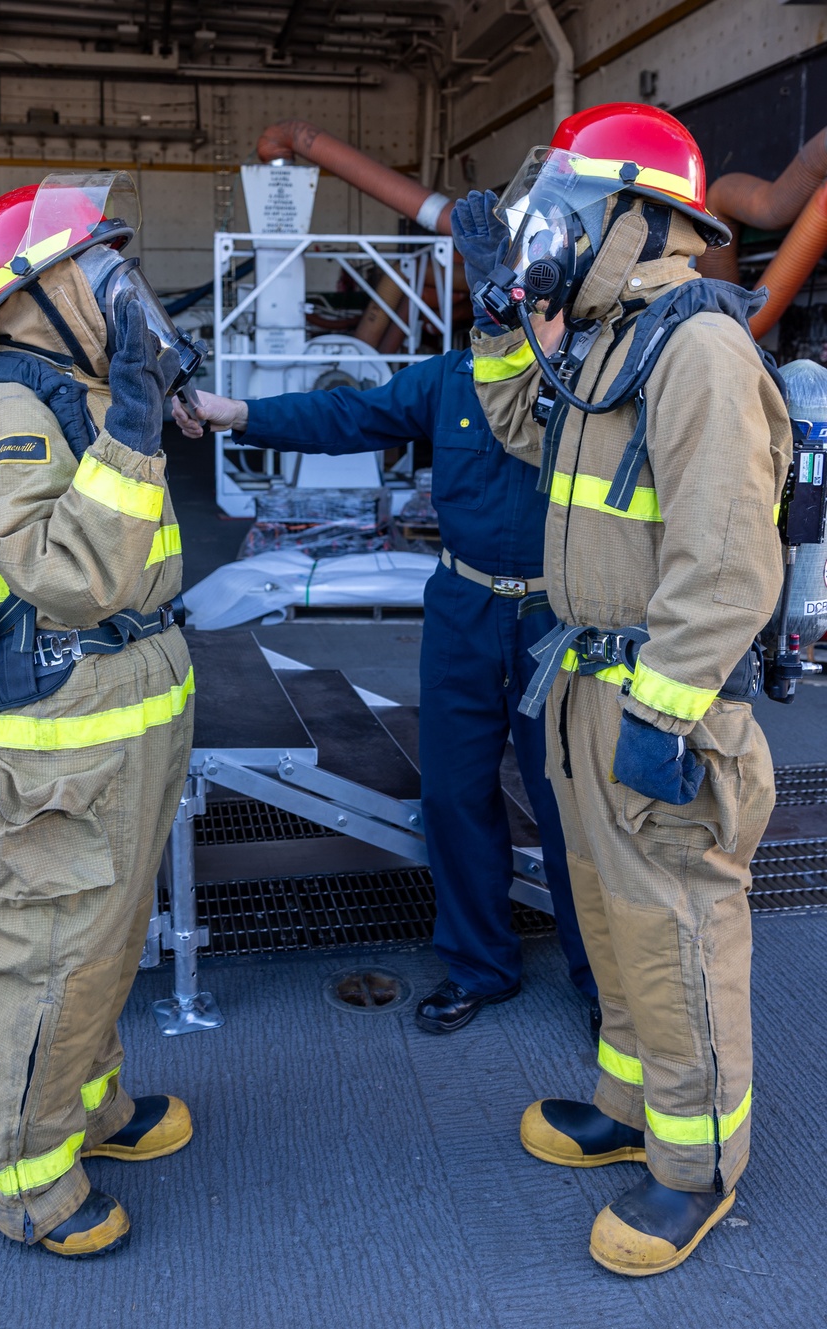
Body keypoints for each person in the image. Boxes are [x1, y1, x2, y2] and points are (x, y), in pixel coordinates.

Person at [457, 103, 791, 1275]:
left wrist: (664, 711)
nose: (550, 234)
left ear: (637, 222)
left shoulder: (696, 348)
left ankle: (693, 1170)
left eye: (568, 215)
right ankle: (629, 1103)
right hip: (587, 685)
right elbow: (519, 429)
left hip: (661, 699)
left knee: (679, 933)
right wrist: (504, 315)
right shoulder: (610, 342)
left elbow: (729, 561)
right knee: (607, 913)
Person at [172, 314, 598, 1035]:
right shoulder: (450, 379)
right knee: (454, 794)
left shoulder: (592, 386)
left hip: (554, 618)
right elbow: (350, 414)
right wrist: (236, 413)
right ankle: (479, 967)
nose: (509, 312)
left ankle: (601, 981)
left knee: (569, 804)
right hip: (463, 608)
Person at [0, 172, 200, 1257]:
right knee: (49, 950)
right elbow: (68, 577)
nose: (122, 288)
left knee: (104, 937)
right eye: (99, 268)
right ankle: (27, 1180)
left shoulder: (78, 391)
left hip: (129, 707)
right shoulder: (8, 408)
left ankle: (86, 1110)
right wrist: (137, 425)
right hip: (65, 725)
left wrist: (134, 409)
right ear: (30, 294)